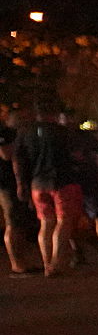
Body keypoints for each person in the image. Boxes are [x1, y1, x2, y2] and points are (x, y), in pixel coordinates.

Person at [17, 106, 85, 276]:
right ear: (53, 114)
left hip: (37, 184)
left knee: (46, 224)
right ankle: (56, 263)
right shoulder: (63, 132)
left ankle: (47, 264)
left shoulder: (25, 133)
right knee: (63, 222)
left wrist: (21, 183)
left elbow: (18, 159)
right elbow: (77, 156)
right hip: (63, 182)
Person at [58, 110, 98, 262]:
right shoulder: (58, 137)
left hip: (88, 181)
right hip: (69, 183)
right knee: (71, 220)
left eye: (70, 117)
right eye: (64, 118)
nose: (68, 121)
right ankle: (78, 253)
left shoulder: (86, 136)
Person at [0, 110, 33, 274]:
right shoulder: (5, 133)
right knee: (12, 224)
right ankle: (17, 264)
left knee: (18, 224)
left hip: (12, 184)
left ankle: (21, 262)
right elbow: (6, 155)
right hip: (6, 184)